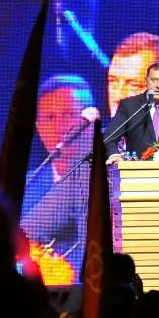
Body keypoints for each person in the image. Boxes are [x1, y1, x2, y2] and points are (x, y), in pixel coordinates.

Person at [20, 74, 100, 282]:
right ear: (38, 127)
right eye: (50, 118)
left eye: (70, 115)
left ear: (92, 121)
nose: (61, 128)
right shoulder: (24, 187)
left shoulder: (108, 178)